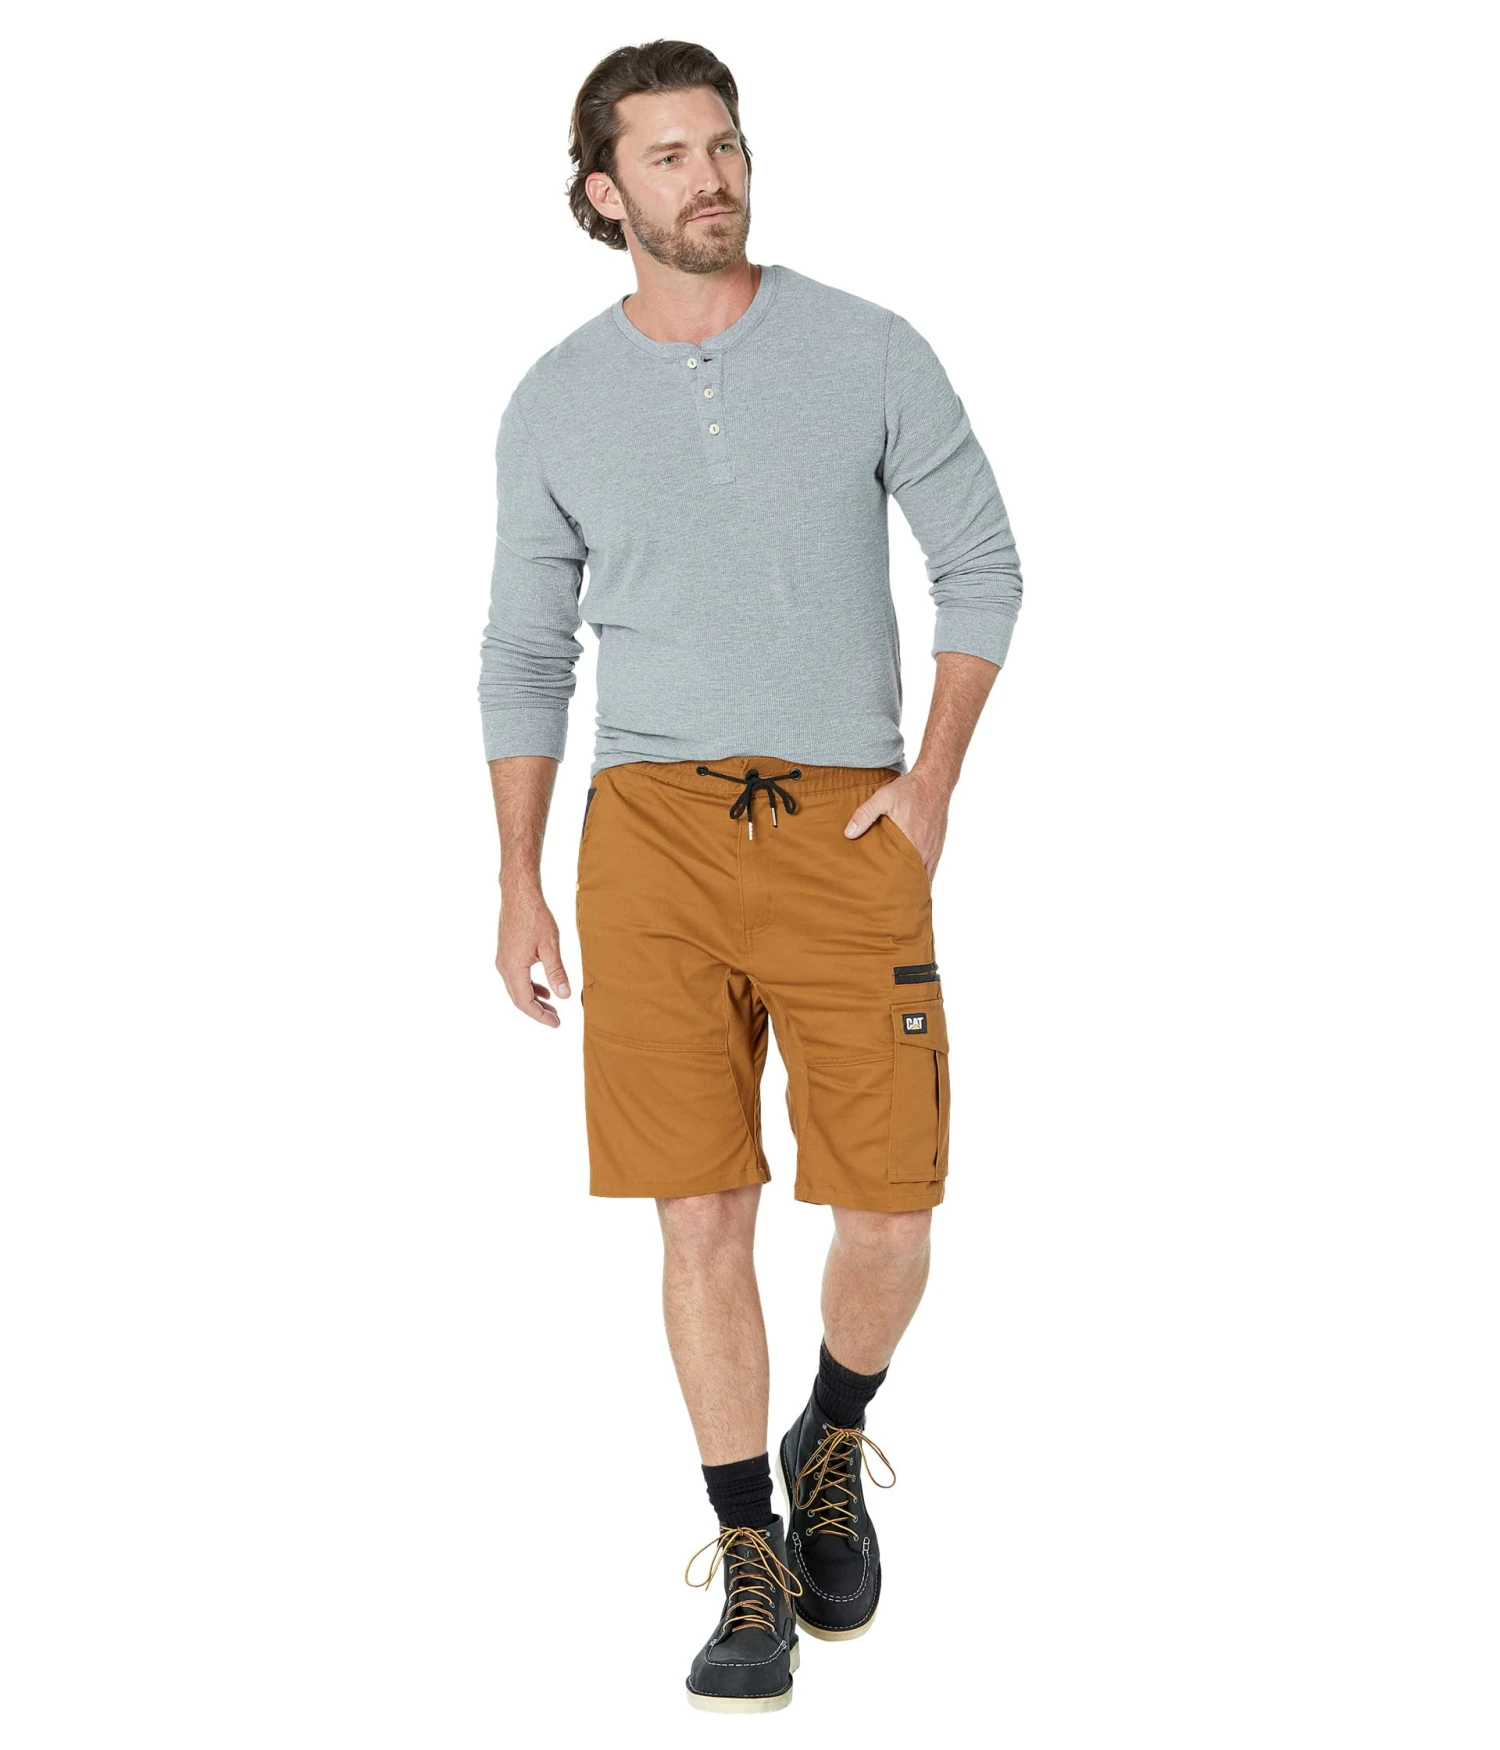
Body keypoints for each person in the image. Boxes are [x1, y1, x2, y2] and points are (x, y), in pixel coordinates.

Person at [478, 39, 1022, 1713]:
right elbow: (525, 652)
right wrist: (518, 877)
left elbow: (983, 566)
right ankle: (750, 1557)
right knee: (698, 1206)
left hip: (851, 825)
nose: (709, 178)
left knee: (893, 1202)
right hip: (646, 836)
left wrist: (931, 785)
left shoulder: (867, 348)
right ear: (602, 191)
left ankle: (832, 1428)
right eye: (667, 157)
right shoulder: (556, 398)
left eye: (723, 145)